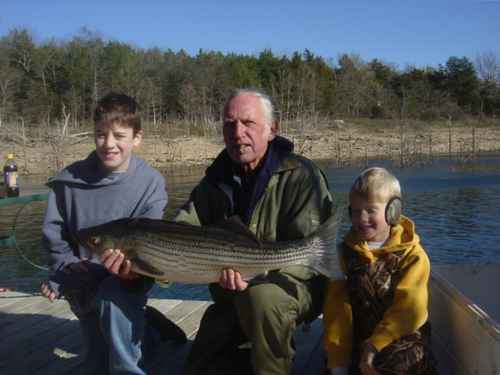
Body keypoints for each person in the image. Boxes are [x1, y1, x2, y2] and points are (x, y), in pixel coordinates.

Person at [174, 88, 335, 375]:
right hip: (232, 292)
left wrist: (254, 275)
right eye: (229, 124)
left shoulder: (302, 176)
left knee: (262, 299)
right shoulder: (213, 181)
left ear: (272, 130)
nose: (237, 133)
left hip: (293, 288)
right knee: (199, 367)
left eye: (248, 123)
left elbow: (309, 265)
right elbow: (181, 231)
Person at [40, 92, 170, 375]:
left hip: (128, 278)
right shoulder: (68, 180)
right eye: (100, 135)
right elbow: (55, 234)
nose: (109, 144)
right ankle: (152, 333)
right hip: (80, 277)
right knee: (96, 364)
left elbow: (151, 246)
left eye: (119, 136)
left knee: (113, 300)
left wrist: (129, 271)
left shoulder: (152, 184)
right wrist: (61, 270)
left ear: (137, 138)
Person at [322, 167, 438, 375]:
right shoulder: (342, 255)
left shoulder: (414, 256)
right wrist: (338, 363)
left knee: (395, 365)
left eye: (370, 210)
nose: (362, 218)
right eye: (355, 212)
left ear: (393, 211)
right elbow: (337, 311)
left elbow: (409, 311)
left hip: (403, 338)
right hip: (360, 340)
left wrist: (374, 345)